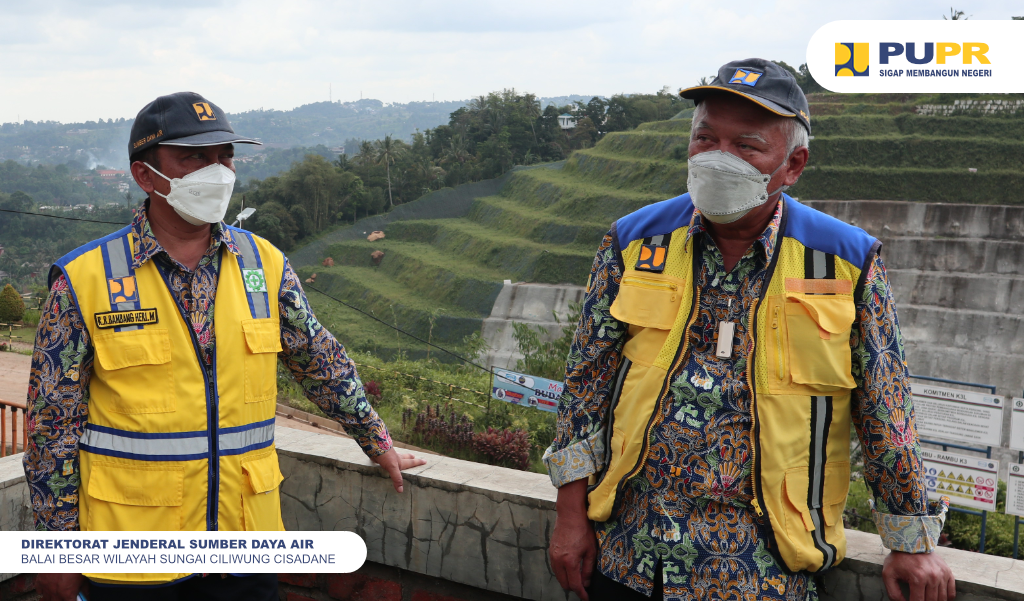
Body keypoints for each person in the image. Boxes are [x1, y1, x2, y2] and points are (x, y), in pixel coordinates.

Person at [545, 59, 955, 601]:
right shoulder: (634, 242)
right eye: (705, 138)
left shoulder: (845, 262)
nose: (718, 158)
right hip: (633, 559)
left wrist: (910, 539)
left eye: (746, 146)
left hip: (767, 572)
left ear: (793, 165)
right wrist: (570, 516)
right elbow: (585, 389)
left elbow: (886, 413)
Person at [23, 92, 426, 601]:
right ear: (146, 177)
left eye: (224, 156)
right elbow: (50, 425)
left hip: (245, 549)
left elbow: (318, 359)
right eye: (194, 158)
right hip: (133, 557)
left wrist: (377, 441)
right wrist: (56, 552)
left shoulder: (265, 265)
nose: (217, 171)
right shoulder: (85, 279)